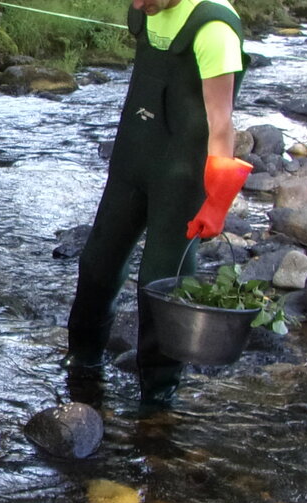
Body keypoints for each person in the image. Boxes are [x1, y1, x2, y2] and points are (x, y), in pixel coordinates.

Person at [63, 0, 252, 412]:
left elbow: (221, 124)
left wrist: (218, 202)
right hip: (132, 161)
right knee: (97, 263)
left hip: (181, 176)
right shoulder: (145, 11)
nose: (136, 5)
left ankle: (157, 397)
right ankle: (82, 365)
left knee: (161, 285)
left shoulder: (213, 28)